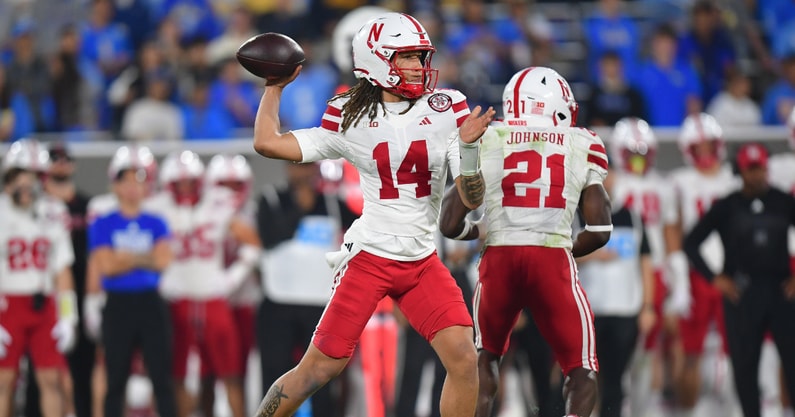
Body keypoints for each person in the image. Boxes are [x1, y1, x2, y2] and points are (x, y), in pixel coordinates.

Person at [250, 11, 491, 417]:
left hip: (421, 259)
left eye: (420, 56)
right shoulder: (349, 113)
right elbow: (267, 142)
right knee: (319, 368)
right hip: (371, 257)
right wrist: (274, 87)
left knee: (466, 361)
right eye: (407, 57)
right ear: (378, 61)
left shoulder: (448, 108)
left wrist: (468, 149)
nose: (418, 66)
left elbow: (471, 194)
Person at [439, 66, 613, 417]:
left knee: (484, 361)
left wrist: (476, 231)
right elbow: (600, 227)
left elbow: (449, 222)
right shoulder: (583, 141)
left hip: (499, 258)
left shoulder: (488, 136)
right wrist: (564, 247)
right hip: (552, 259)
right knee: (581, 369)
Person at [144, 150, 261, 417]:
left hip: (213, 298)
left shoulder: (218, 206)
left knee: (230, 373)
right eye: (179, 183)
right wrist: (160, 281)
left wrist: (231, 279)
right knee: (176, 374)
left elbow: (252, 242)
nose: (186, 189)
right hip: (177, 300)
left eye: (190, 182)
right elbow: (144, 250)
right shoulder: (156, 209)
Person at [684, 142, 795, 417]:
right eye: (751, 169)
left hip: (781, 291)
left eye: (761, 169)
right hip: (741, 293)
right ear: (741, 171)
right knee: (745, 367)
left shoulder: (783, 201)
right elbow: (691, 242)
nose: (757, 175)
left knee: (793, 363)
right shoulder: (727, 206)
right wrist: (715, 278)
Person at [255, 160, 358, 417]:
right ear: (286, 168)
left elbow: (361, 229)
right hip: (278, 302)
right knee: (275, 374)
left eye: (306, 166)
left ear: (315, 169)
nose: (300, 171)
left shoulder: (333, 203)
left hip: (320, 305)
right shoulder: (271, 200)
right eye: (295, 166)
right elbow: (268, 238)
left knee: (321, 379)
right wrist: (301, 208)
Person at [606, 117, 690, 415]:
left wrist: (678, 278)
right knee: (615, 343)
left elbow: (671, 234)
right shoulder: (611, 182)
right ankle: (617, 400)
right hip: (615, 270)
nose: (639, 161)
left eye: (642, 154)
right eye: (633, 154)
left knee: (649, 344)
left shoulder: (662, 185)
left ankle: (644, 404)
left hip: (652, 269)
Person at [88, 161, 177, 417]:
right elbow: (107, 266)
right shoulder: (103, 223)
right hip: (118, 304)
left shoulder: (156, 222)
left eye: (137, 182)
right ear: (115, 186)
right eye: (125, 182)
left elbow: (163, 262)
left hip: (150, 303)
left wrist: (127, 256)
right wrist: (144, 257)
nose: (132, 188)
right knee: (115, 379)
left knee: (161, 378)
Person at [669, 112, 741, 416]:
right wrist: (680, 281)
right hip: (697, 273)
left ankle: (737, 407)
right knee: (691, 351)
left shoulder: (733, 180)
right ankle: (689, 409)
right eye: (699, 148)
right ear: (689, 149)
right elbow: (674, 230)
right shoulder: (679, 181)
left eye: (710, 146)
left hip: (730, 272)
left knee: (739, 349)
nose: (706, 153)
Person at [0, 140, 77, 417]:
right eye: (19, 175)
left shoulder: (54, 212)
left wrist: (68, 316)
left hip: (45, 304)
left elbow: (62, 269)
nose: (25, 184)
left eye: (32, 177)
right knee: (3, 380)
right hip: (7, 305)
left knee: (51, 379)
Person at [575, 162, 656, 417]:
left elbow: (645, 263)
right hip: (590, 311)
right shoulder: (577, 216)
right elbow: (561, 256)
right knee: (585, 378)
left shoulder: (632, 217)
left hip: (625, 310)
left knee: (616, 378)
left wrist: (648, 306)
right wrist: (593, 255)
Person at [200, 153, 261, 416]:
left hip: (243, 302)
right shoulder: (199, 214)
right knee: (205, 373)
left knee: (239, 372)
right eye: (224, 185)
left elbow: (260, 251)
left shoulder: (253, 214)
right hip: (206, 302)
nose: (230, 192)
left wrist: (235, 276)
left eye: (236, 185)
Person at [43, 142, 94, 417]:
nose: (60, 164)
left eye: (65, 159)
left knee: (82, 363)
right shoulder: (37, 207)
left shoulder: (87, 205)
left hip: (81, 289)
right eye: (54, 159)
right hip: (45, 292)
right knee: (45, 369)